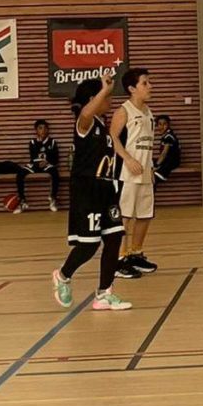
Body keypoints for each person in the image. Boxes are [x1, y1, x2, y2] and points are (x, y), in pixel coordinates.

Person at [51, 71, 131, 311]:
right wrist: (104, 89)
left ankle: (104, 293)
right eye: (106, 97)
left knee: (114, 238)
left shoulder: (103, 127)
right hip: (87, 190)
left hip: (106, 189)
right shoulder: (84, 123)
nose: (109, 100)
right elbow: (86, 113)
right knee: (89, 244)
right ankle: (63, 275)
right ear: (92, 99)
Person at [110, 67, 156, 279]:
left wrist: (151, 166)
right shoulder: (123, 111)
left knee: (145, 215)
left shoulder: (148, 111)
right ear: (131, 88)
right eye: (145, 83)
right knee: (125, 216)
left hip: (145, 171)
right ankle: (119, 258)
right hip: (127, 173)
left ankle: (135, 253)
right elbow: (112, 138)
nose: (150, 86)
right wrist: (128, 159)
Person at [0, 119, 60, 213]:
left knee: (55, 172)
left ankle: (53, 198)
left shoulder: (52, 142)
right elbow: (33, 157)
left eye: (45, 128)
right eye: (40, 128)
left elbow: (56, 159)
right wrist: (40, 145)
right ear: (36, 130)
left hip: (47, 165)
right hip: (35, 164)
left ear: (48, 130)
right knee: (20, 174)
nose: (43, 130)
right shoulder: (32, 142)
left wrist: (47, 161)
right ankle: (23, 201)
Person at [153, 114, 181, 184]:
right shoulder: (165, 136)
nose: (162, 126)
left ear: (168, 125)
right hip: (167, 161)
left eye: (164, 124)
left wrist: (156, 166)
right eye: (160, 124)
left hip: (171, 162)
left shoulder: (169, 137)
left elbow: (164, 153)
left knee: (153, 178)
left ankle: (159, 176)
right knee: (149, 163)